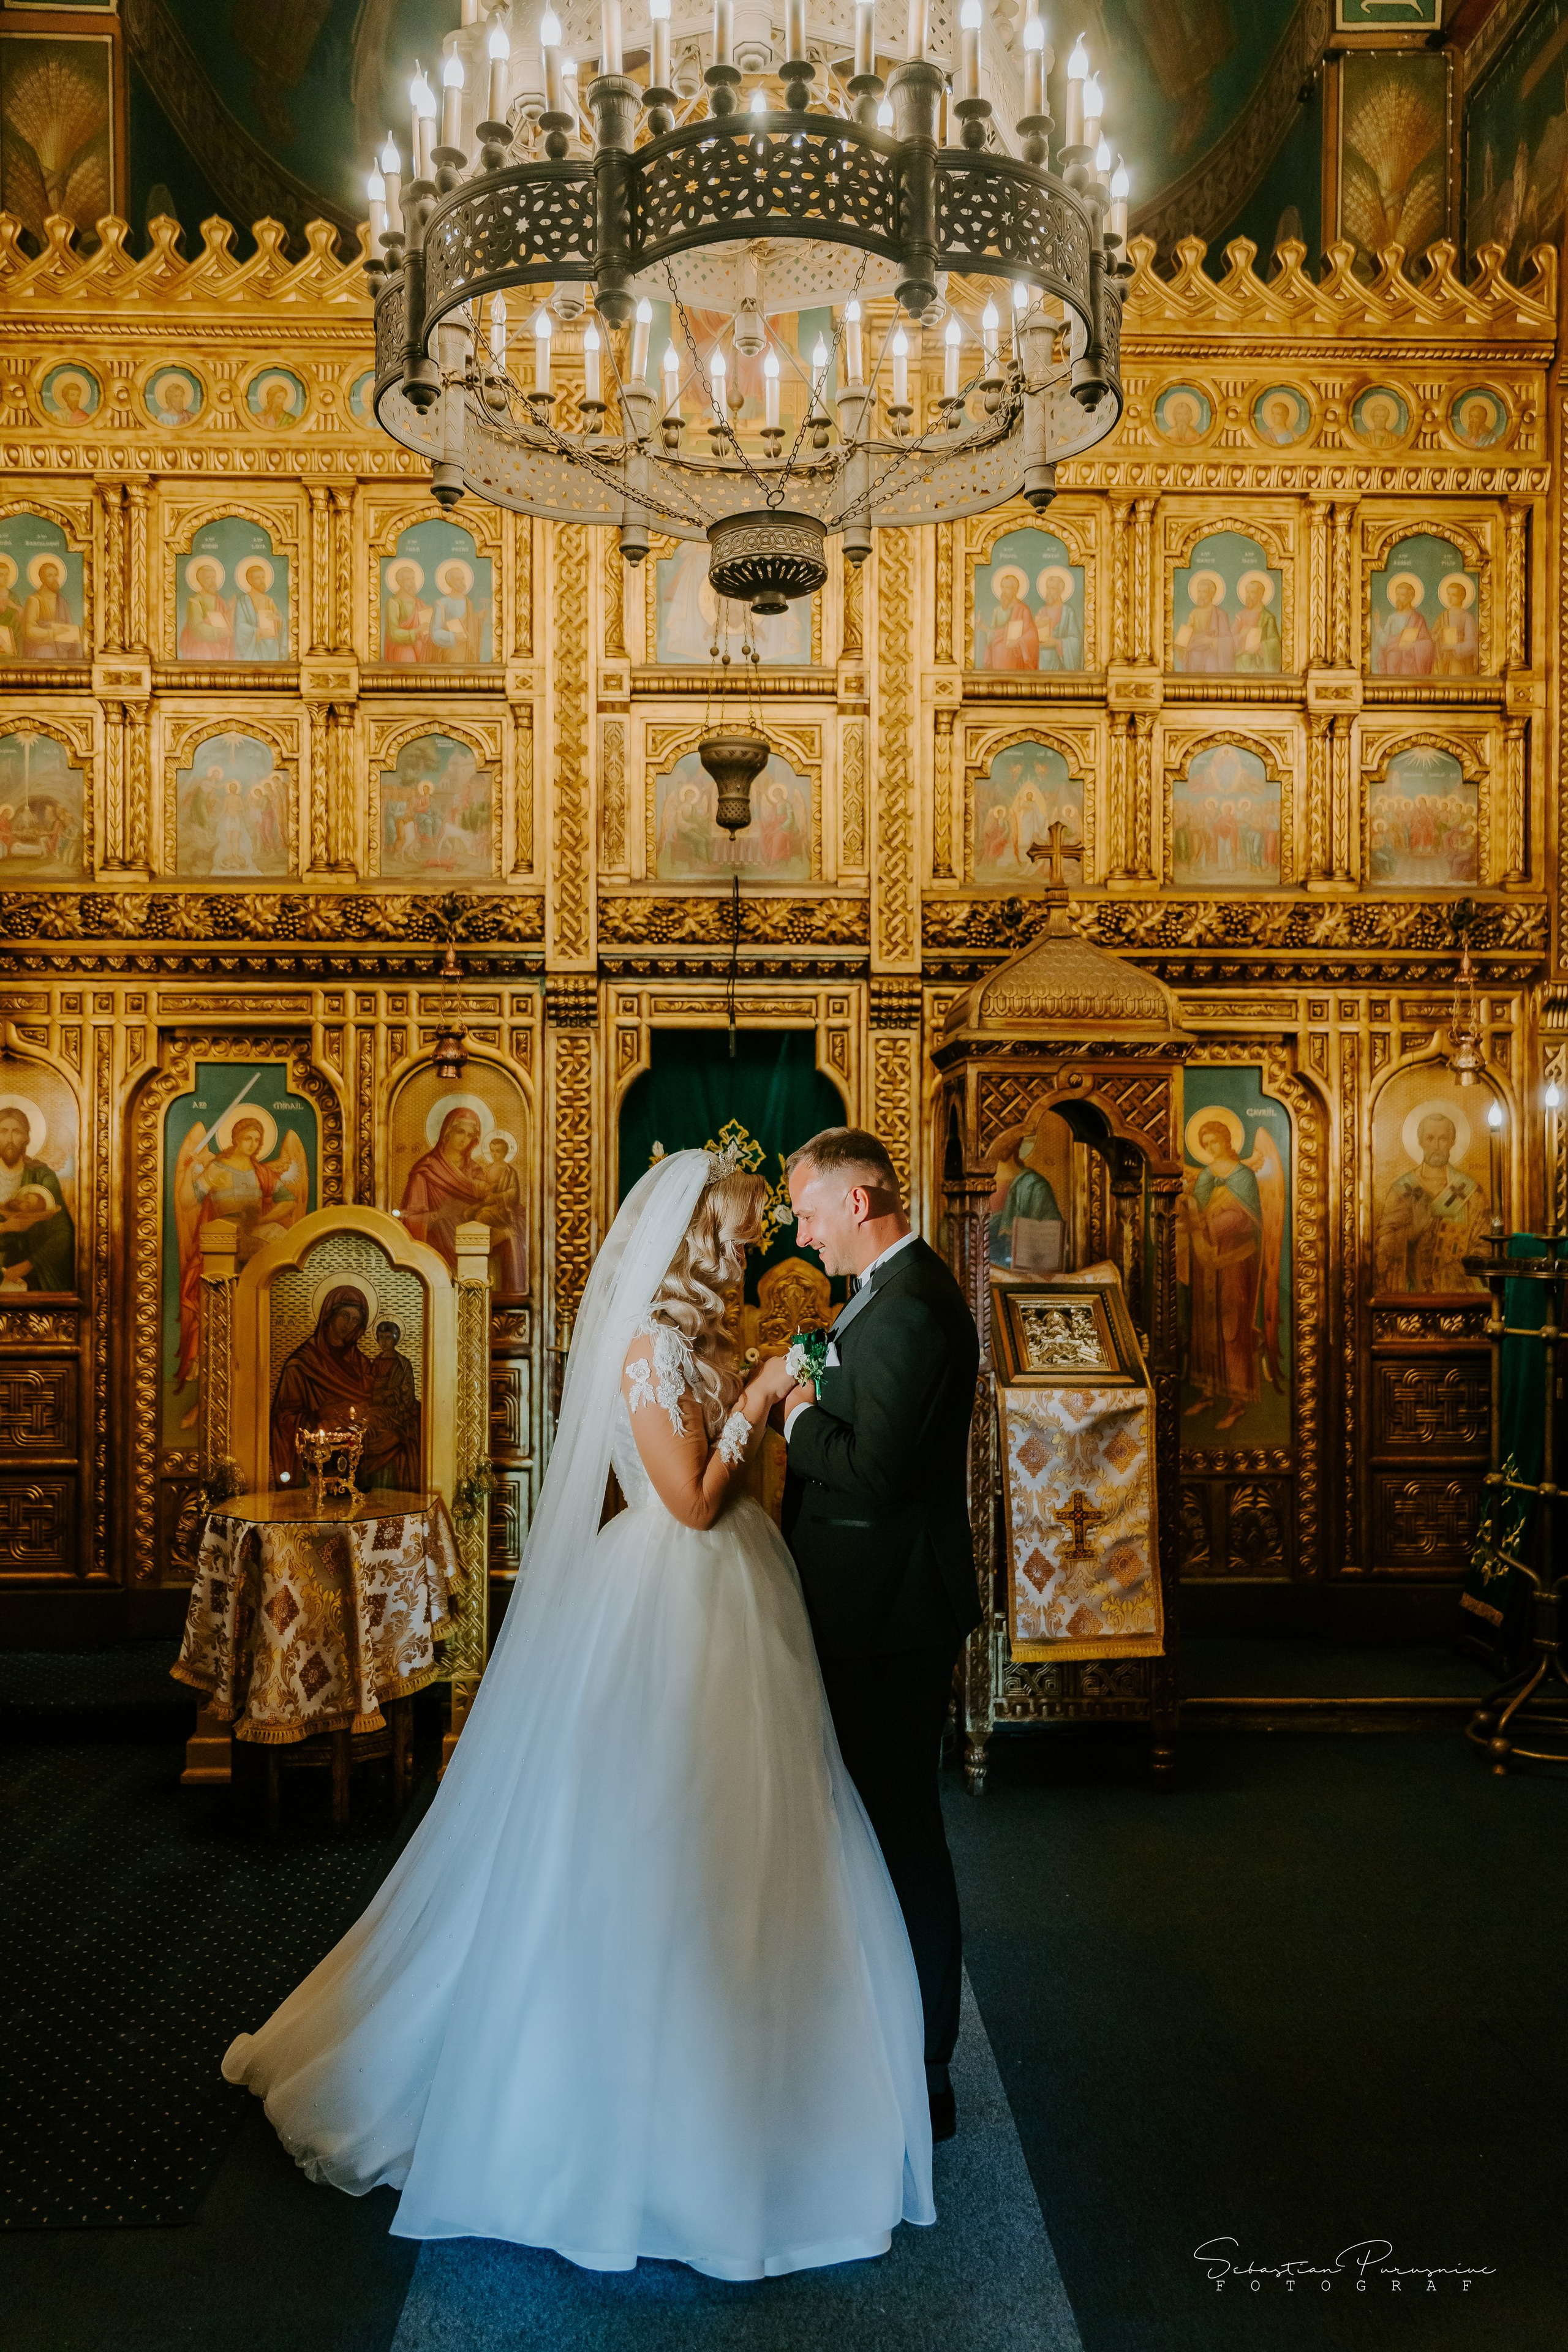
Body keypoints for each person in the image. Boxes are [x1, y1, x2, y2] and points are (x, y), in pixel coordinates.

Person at [224, 1149, 934, 2274]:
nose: (760, 1245)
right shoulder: (651, 1351)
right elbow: (691, 1505)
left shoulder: (704, 1341)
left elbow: (740, 1493)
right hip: (667, 1596)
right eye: (746, 1231)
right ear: (698, 1238)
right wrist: (758, 1397)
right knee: (648, 1836)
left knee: (756, 1833)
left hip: (747, 1598)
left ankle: (765, 2075)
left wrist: (761, 1400)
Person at [778, 1128, 981, 2146]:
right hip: (866, 1605)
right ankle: (885, 2038)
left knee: (904, 1833)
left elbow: (877, 1472)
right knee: (875, 1826)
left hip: (892, 1615)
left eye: (809, 1216)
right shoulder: (879, 1298)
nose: (802, 1239)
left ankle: (928, 2069)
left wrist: (793, 1417)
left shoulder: (911, 1311)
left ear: (858, 1204)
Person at [270, 1287, 418, 1490]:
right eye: (345, 1316)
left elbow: (379, 1401)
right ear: (329, 1316)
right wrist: (316, 1418)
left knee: (404, 1436)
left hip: (362, 1440)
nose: (350, 1325)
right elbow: (283, 1420)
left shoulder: (364, 1364)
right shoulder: (300, 1365)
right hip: (322, 1450)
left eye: (356, 1320)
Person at [1374, 1110, 1489, 1294]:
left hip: (1458, 1292)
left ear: (1452, 1142)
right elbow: (1382, 1246)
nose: (1436, 1146)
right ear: (1420, 1141)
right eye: (1430, 1138)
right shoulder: (1402, 1190)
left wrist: (1453, 1268)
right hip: (1413, 1291)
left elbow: (1484, 1246)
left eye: (1443, 1138)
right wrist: (1413, 1232)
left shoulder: (1471, 1192)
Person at [0, 1105, 74, 1291]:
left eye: (16, 1132)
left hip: (31, 1268)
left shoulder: (42, 1176)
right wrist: (5, 1227)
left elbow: (63, 1233)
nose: (9, 1140)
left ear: (26, 1138)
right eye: (3, 1131)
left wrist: (29, 1264)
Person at [179, 560, 232, 660]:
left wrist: (232, 610)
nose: (213, 581)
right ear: (200, 581)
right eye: (208, 578)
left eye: (214, 577)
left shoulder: (220, 600)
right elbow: (197, 627)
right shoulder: (195, 600)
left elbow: (226, 620)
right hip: (202, 645)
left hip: (220, 645)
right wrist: (219, 632)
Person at [233, 560, 285, 660]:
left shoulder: (269, 601)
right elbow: (240, 627)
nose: (262, 581)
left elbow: (280, 623)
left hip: (271, 648)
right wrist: (258, 632)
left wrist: (278, 619)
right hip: (253, 649)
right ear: (250, 581)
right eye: (258, 578)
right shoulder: (243, 602)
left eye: (263, 577)